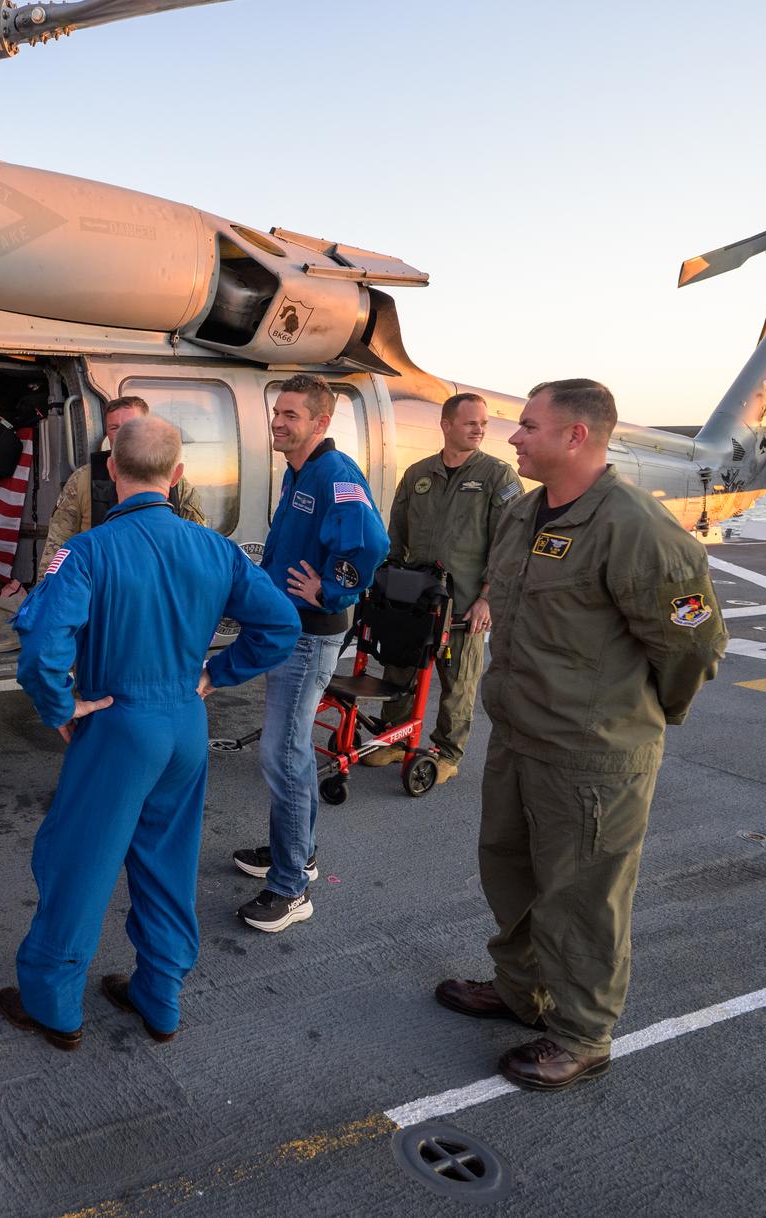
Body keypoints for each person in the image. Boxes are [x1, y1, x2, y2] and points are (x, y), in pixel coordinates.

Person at [436, 378, 726, 1091]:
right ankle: (520, 991)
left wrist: (643, 715)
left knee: (584, 897)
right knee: (509, 869)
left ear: (576, 436)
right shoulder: (524, 513)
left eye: (528, 427)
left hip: (594, 756)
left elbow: (695, 643)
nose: (513, 437)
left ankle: (582, 1033)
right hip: (521, 736)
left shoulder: (639, 530)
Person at [0, 416, 298, 1049]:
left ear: (111, 470)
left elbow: (43, 647)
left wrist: (60, 707)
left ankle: (53, 1004)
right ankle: (159, 998)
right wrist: (217, 674)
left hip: (116, 721)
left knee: (78, 861)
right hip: (185, 724)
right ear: (179, 473)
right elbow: (279, 625)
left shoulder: (86, 551)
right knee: (166, 862)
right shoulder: (213, 547)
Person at [231, 373, 388, 934]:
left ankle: (291, 887)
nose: (279, 422)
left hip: (310, 632)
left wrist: (332, 590)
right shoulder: (300, 470)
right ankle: (297, 852)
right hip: (287, 628)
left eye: (291, 414)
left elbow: (369, 542)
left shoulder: (334, 474)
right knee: (287, 752)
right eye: (278, 413)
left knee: (284, 754)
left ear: (321, 423)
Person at [363, 392, 522, 784]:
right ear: (446, 425)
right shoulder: (418, 474)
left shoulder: (497, 477)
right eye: (471, 423)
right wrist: (387, 586)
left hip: (466, 603)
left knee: (458, 682)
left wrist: (488, 598)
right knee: (400, 670)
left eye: (483, 424)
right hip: (414, 600)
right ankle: (394, 739)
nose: (479, 430)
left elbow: (509, 544)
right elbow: (396, 535)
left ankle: (447, 751)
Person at [38, 395, 206, 574]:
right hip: (103, 587)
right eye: (114, 427)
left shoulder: (175, 482)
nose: (122, 434)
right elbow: (56, 548)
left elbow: (200, 548)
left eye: (131, 425)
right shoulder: (83, 480)